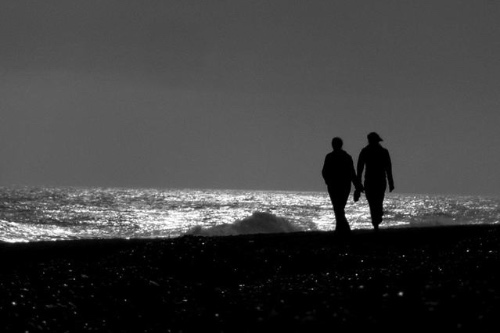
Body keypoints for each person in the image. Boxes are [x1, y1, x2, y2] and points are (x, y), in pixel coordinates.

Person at [322, 137, 362, 236]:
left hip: (334, 185)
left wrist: (327, 181)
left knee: (338, 207)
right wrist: (357, 186)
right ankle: (341, 228)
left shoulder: (330, 156)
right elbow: (352, 173)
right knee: (339, 206)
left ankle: (342, 228)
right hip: (344, 185)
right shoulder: (346, 156)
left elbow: (324, 172)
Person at [356, 132, 395, 231]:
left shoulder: (365, 151)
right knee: (378, 201)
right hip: (380, 180)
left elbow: (360, 168)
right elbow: (388, 168)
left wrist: (358, 182)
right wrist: (391, 182)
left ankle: (376, 222)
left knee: (372, 203)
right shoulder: (383, 151)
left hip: (370, 181)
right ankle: (377, 220)